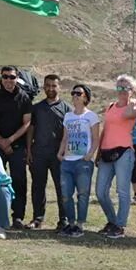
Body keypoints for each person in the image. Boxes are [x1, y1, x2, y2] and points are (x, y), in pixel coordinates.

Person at [0, 65, 32, 229]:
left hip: (17, 146)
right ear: (1, 78)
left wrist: (9, 140)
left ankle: (18, 216)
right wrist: (1, 141)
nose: (8, 80)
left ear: (17, 77)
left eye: (12, 77)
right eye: (5, 77)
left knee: (19, 181)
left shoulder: (24, 98)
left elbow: (27, 124)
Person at [95, 75, 136, 239]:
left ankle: (120, 225)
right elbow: (105, 129)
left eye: (125, 88)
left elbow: (130, 114)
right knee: (100, 192)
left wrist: (134, 96)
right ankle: (112, 221)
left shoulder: (133, 106)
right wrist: (98, 151)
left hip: (124, 152)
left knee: (122, 191)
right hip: (106, 151)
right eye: (119, 87)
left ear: (131, 90)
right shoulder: (110, 107)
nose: (122, 91)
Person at [26, 74, 70, 231]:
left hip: (59, 154)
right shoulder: (36, 108)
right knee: (38, 186)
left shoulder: (67, 109)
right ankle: (37, 218)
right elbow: (31, 129)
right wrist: (29, 150)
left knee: (61, 187)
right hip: (38, 152)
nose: (51, 88)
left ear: (59, 87)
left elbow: (70, 133)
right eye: (48, 85)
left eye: (54, 85)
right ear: (44, 87)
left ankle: (63, 220)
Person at [57, 84, 100, 237]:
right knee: (66, 194)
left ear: (85, 97)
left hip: (83, 161)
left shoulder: (91, 116)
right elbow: (65, 137)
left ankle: (80, 225)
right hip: (67, 161)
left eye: (79, 93)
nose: (75, 96)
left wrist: (89, 155)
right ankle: (71, 223)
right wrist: (60, 153)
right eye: (73, 93)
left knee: (82, 194)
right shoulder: (68, 116)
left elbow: (96, 139)